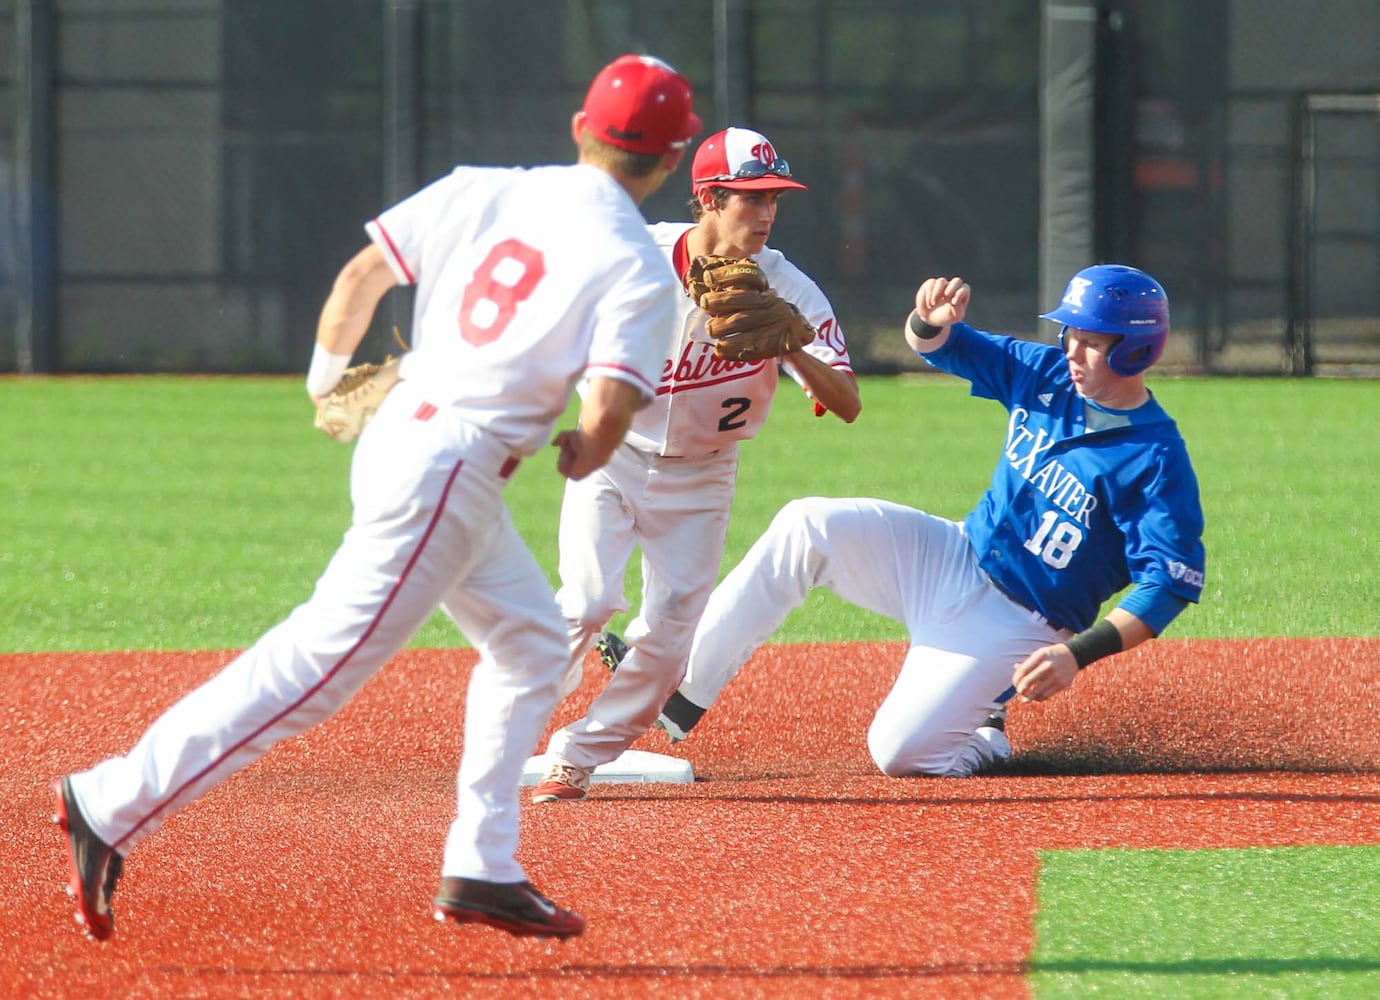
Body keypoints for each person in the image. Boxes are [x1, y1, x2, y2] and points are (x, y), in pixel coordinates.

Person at [51, 53, 701, 943]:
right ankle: (111, 799)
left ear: (581, 128)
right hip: (455, 467)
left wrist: (325, 385)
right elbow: (612, 405)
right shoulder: (634, 259)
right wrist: (588, 450)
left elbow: (360, 278)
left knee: (531, 643)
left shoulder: (484, 187)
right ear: (670, 161)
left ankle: (485, 863)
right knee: (316, 666)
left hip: (410, 433)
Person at [641, 265, 1206, 777]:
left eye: (1094, 342)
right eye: (1071, 335)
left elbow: (1167, 586)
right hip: (953, 554)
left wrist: (1075, 654)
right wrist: (928, 320)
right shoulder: (1047, 374)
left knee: (899, 752)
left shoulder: (1156, 458)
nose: (1074, 351)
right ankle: (681, 692)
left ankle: (986, 735)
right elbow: (939, 346)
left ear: (1135, 350)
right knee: (807, 524)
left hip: (1020, 623)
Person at [531, 126, 862, 803]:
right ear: (709, 197)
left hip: (704, 474)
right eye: (751, 197)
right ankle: (515, 712)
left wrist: (790, 344)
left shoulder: (791, 290)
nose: (766, 213)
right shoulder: (637, 254)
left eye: (775, 199)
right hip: (617, 453)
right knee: (588, 601)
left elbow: (848, 402)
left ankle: (578, 757)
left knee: (669, 638)